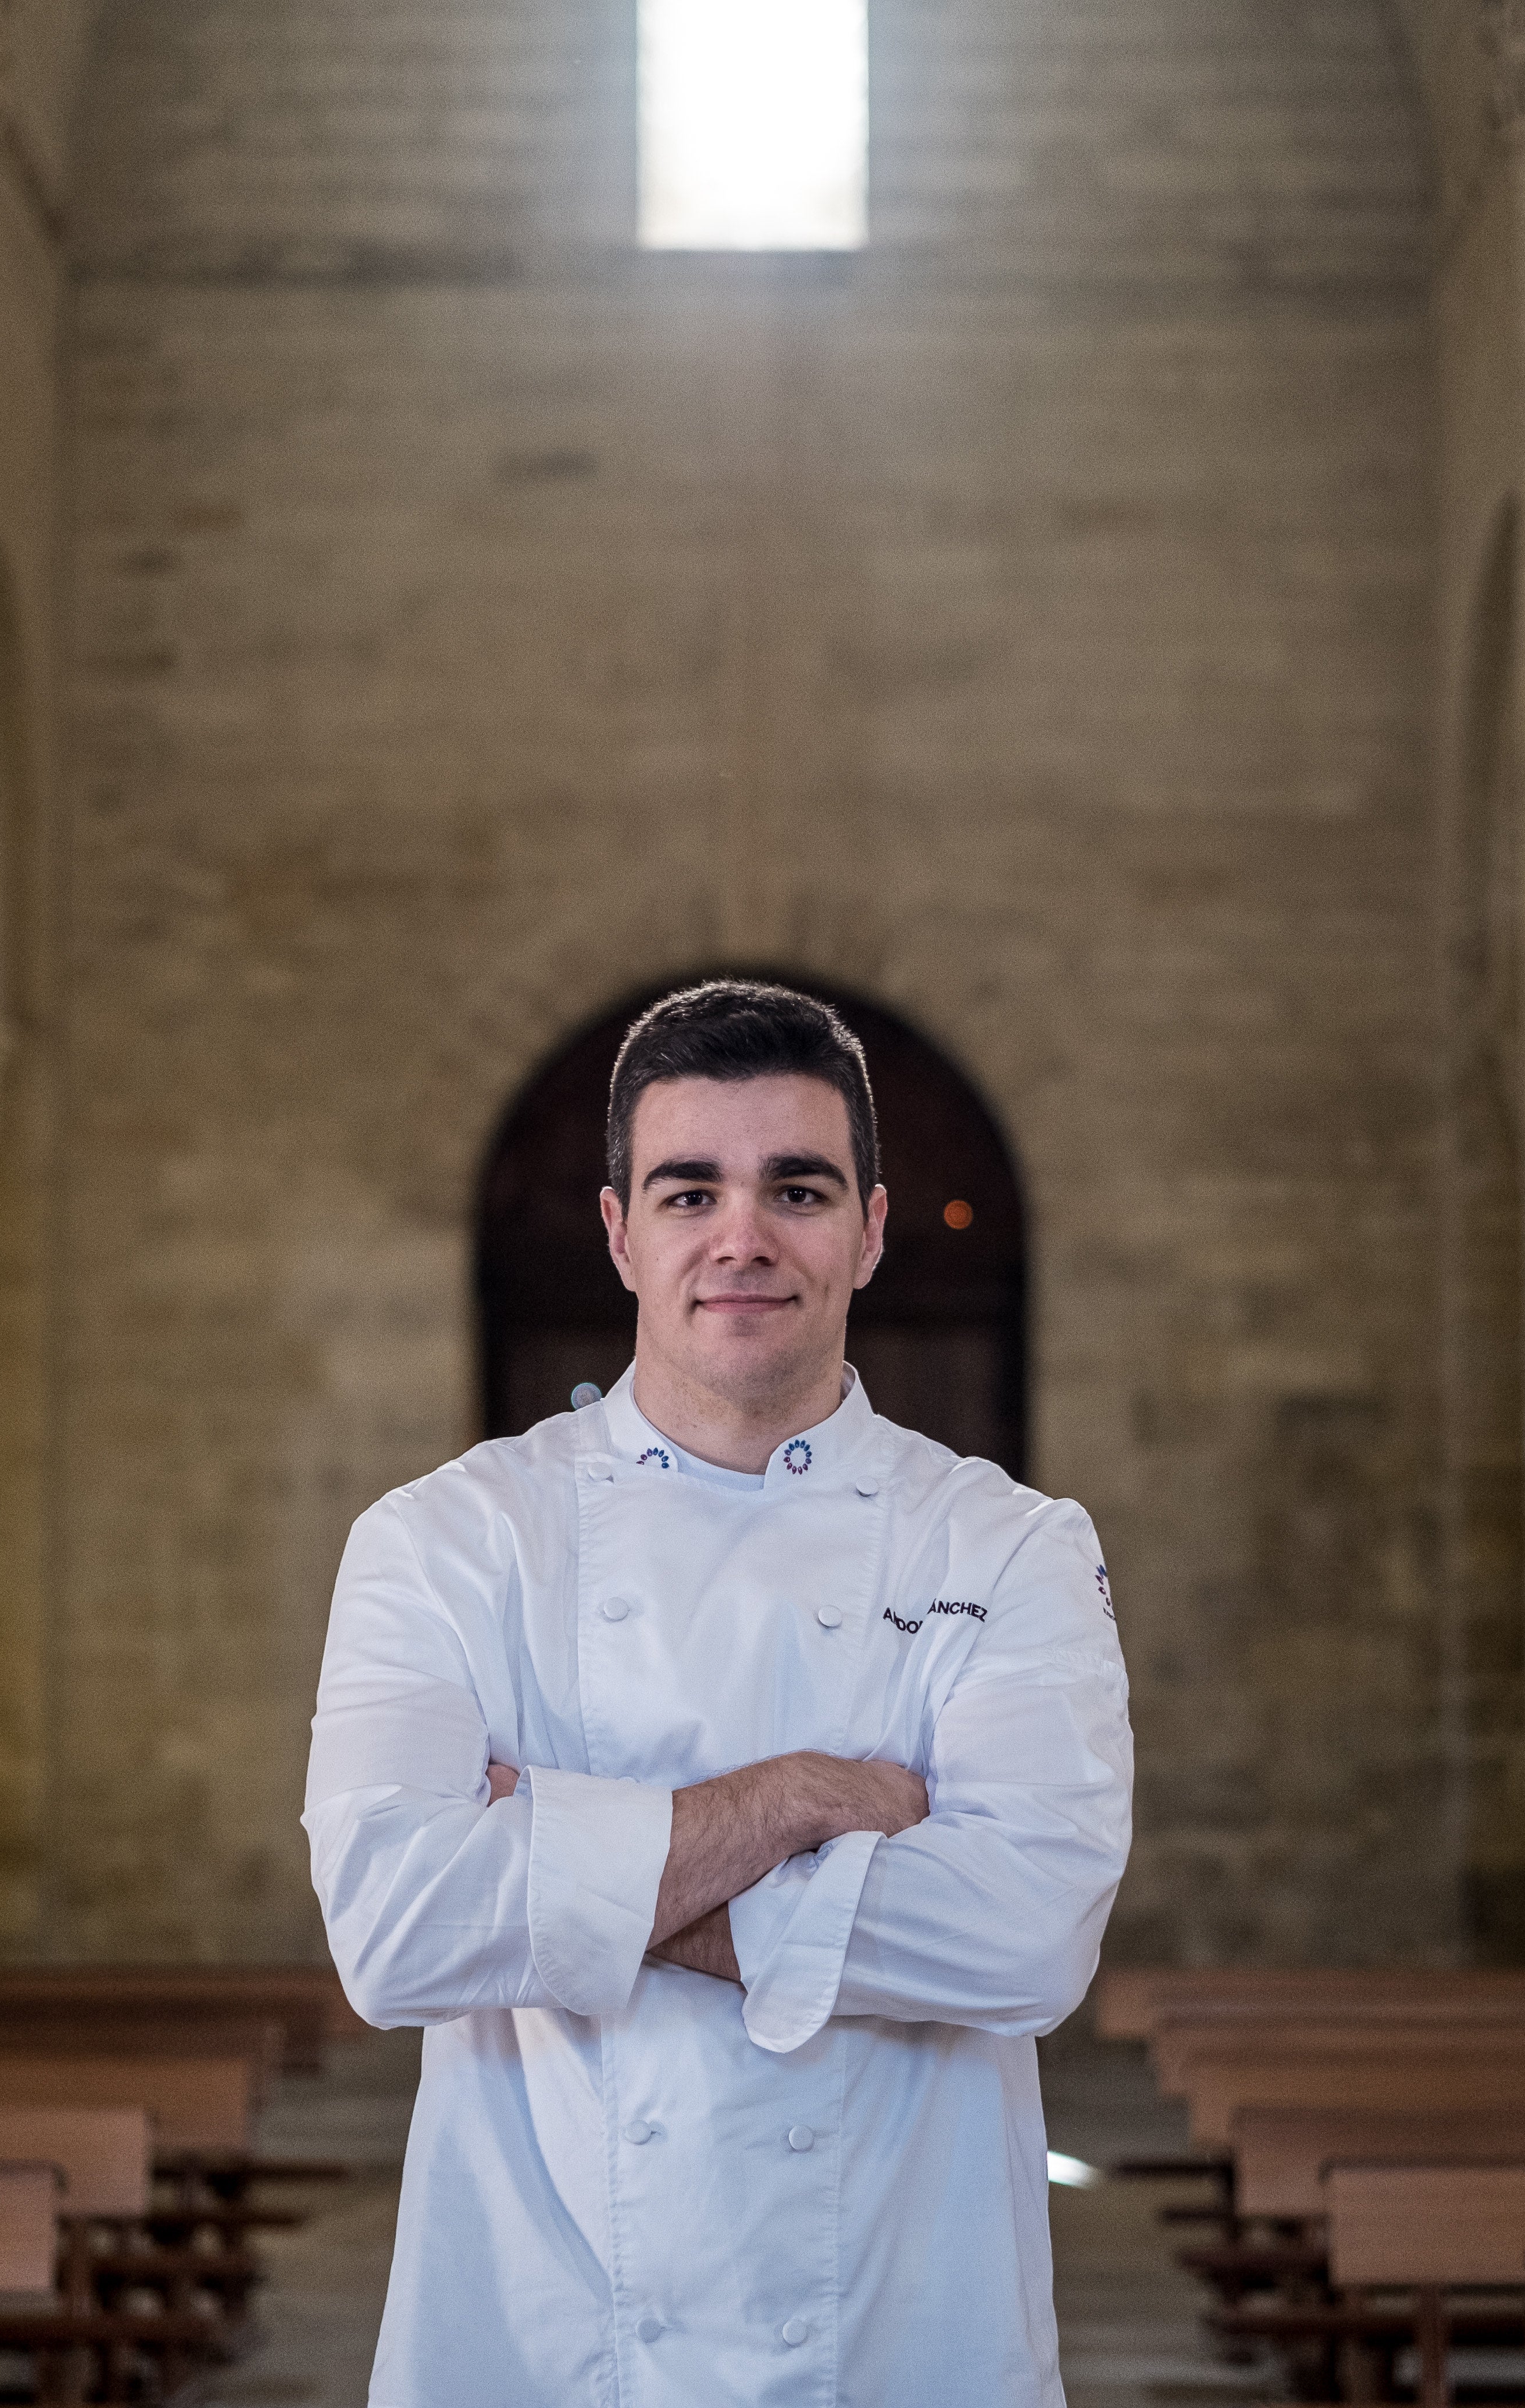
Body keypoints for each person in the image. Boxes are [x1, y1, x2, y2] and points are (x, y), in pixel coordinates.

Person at [304, 978, 1134, 2405]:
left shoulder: (1009, 1547)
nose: (742, 1237)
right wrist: (802, 1799)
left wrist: (565, 1846)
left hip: (898, 2334)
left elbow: (1026, 1939)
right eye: (690, 1192)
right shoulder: (446, 1541)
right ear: (622, 1232)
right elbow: (393, 1930)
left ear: (871, 1229)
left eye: (797, 1188)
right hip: (549, 2341)